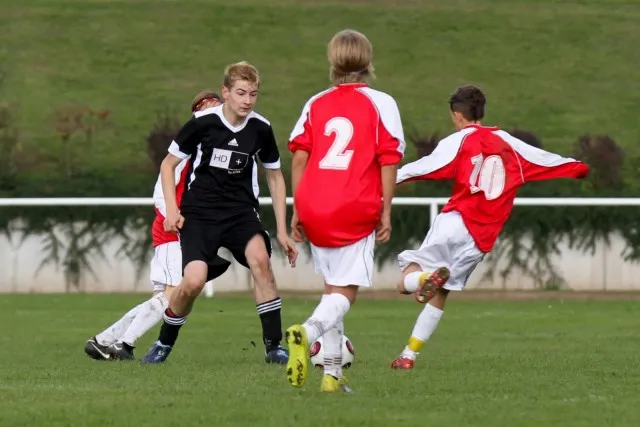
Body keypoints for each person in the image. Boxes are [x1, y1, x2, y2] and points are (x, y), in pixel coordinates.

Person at [390, 85, 590, 369]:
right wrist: (578, 168)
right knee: (442, 292)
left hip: (455, 221)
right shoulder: (509, 143)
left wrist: (387, 180)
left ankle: (424, 278)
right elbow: (546, 160)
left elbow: (424, 167)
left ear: (457, 115)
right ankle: (408, 356)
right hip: (480, 239)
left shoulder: (457, 141)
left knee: (405, 281)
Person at [142, 61, 298, 365]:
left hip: (241, 213)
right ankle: (164, 342)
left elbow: (275, 176)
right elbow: (167, 165)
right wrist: (172, 210)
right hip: (199, 213)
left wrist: (282, 230)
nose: (247, 101)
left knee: (261, 261)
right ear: (225, 92)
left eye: (253, 94)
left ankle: (274, 347)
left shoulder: (261, 128)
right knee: (193, 281)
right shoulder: (202, 123)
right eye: (241, 93)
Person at [284, 29, 405, 392]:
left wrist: (297, 208)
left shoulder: (315, 102)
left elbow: (299, 158)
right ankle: (306, 333)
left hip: (314, 203)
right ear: (368, 61)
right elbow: (388, 159)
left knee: (332, 288)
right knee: (345, 293)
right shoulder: (382, 102)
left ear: (332, 61)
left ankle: (332, 376)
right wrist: (385, 210)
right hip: (354, 204)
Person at [84, 91, 231, 361]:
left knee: (164, 298)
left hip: (183, 232)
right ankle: (124, 344)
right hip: (173, 231)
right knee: (173, 296)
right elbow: (161, 191)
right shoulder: (188, 149)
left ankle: (103, 341)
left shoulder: (208, 151)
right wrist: (172, 217)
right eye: (208, 110)